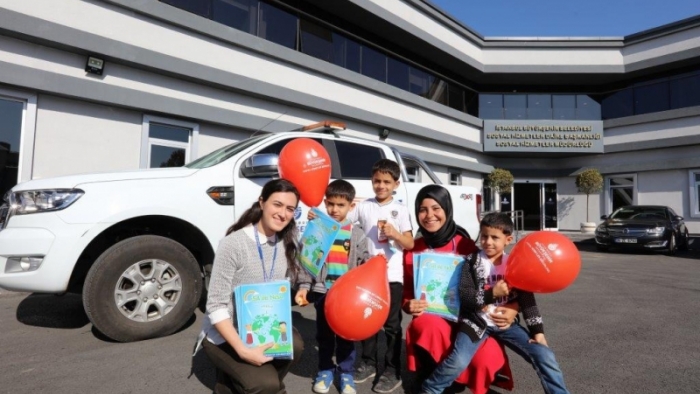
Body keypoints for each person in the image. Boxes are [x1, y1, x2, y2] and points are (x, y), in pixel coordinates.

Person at [420, 213, 570, 394]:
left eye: (494, 237)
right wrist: (492, 294)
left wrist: (538, 332)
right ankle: (430, 388)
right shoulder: (472, 262)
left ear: (508, 239)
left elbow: (527, 300)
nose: (488, 242)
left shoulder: (515, 264)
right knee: (458, 361)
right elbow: (465, 298)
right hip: (475, 323)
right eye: (484, 236)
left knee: (544, 355)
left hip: (507, 325)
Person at [403, 185, 519, 394]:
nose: (429, 215)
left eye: (436, 208)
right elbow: (406, 295)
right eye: (422, 209)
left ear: (447, 209)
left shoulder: (467, 246)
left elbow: (500, 283)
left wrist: (513, 308)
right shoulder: (413, 249)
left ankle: (462, 377)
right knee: (426, 324)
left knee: (485, 358)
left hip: (473, 319)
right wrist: (408, 305)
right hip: (437, 319)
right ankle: (436, 374)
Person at [194, 179, 305, 394]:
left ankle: (239, 381)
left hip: (262, 327)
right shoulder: (234, 244)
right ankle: (256, 384)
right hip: (226, 333)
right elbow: (215, 305)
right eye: (277, 204)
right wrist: (243, 351)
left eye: (290, 209)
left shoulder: (286, 242)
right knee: (266, 385)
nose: (283, 214)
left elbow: (288, 284)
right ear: (262, 203)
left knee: (296, 347)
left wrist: (304, 287)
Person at [296, 180, 370, 394]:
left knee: (347, 336)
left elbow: (364, 263)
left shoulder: (357, 234)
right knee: (325, 336)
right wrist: (304, 285)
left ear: (351, 206)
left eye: (340, 205)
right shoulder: (318, 228)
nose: (335, 209)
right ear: (325, 203)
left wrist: (374, 267)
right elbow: (306, 260)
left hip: (347, 297)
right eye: (330, 204)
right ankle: (325, 370)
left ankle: (346, 373)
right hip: (323, 292)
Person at [350, 159, 414, 393]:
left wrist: (395, 233)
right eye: (377, 181)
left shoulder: (401, 210)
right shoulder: (363, 206)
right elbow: (342, 222)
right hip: (367, 276)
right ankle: (368, 363)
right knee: (367, 322)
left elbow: (409, 243)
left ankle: (392, 369)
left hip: (392, 276)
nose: (381, 185)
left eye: (387, 182)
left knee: (391, 325)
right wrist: (322, 219)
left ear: (396, 184)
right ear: (372, 181)